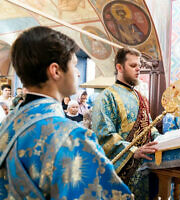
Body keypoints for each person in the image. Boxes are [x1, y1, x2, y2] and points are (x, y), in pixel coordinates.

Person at [0, 26, 132, 199]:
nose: (77, 73)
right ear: (55, 71)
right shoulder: (72, 138)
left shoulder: (7, 125)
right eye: (74, 65)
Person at [92, 47, 159, 199]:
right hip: (122, 173)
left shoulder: (140, 96)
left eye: (139, 66)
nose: (138, 70)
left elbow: (149, 127)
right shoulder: (107, 96)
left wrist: (162, 139)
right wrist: (133, 151)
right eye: (133, 66)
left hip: (147, 169)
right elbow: (103, 136)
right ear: (119, 67)